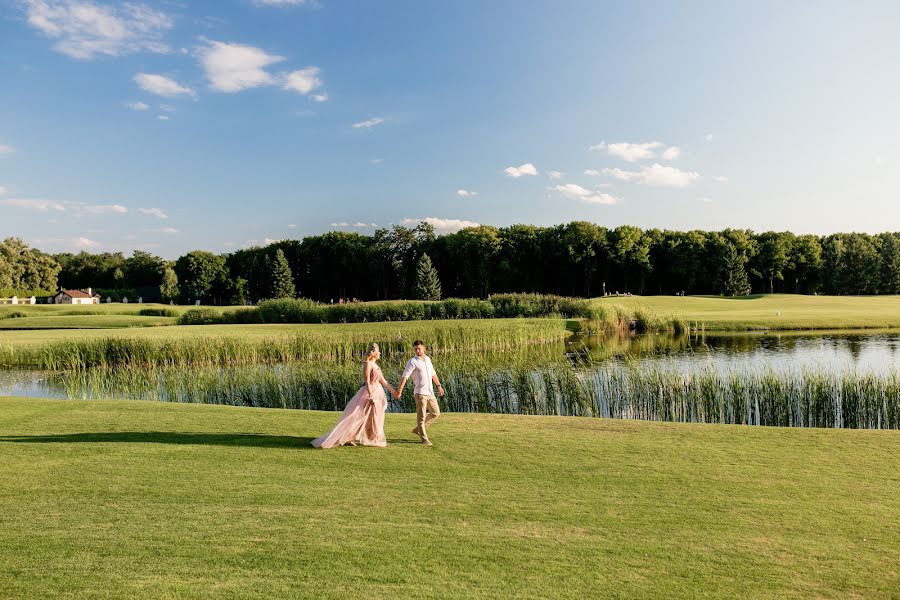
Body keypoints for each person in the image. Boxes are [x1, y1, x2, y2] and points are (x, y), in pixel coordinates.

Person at [311, 343, 397, 448]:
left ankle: (372, 436)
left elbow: (382, 380)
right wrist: (370, 395)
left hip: (378, 392)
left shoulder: (376, 366)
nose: (380, 353)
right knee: (358, 415)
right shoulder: (367, 364)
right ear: (373, 353)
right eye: (378, 352)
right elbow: (367, 381)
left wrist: (393, 391)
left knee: (374, 415)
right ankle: (349, 437)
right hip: (369, 392)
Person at [396, 340, 444, 446]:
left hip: (430, 392)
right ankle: (424, 438)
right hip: (420, 393)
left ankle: (418, 429)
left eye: (419, 349)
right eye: (415, 349)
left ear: (424, 348)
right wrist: (399, 390)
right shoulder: (412, 362)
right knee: (421, 416)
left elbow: (433, 374)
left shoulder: (427, 359)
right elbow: (405, 377)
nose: (417, 351)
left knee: (436, 413)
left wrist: (439, 386)